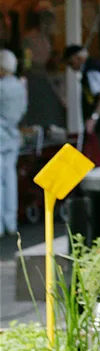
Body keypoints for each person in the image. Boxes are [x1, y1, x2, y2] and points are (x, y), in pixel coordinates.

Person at [64, 45, 100, 166]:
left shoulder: (91, 70)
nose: (71, 67)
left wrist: (94, 118)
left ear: (77, 58)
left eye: (71, 62)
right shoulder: (94, 67)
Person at [0, 50, 27, 236]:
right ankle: (11, 223)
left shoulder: (1, 88)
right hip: (13, 135)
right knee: (10, 179)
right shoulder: (20, 86)